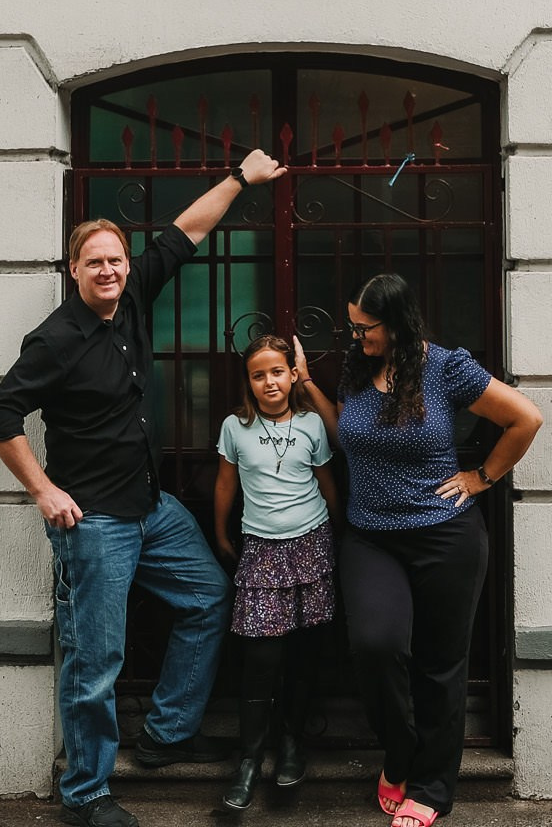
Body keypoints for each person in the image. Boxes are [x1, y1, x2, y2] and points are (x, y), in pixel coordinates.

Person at [0, 148, 287, 827]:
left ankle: (165, 736)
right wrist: (42, 490)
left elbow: (187, 231)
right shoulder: (55, 340)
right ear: (74, 270)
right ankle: (86, 792)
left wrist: (239, 178)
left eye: (116, 259)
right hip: (94, 524)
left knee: (208, 598)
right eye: (95, 263)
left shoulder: (136, 296)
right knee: (96, 661)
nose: (110, 270)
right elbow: (0, 415)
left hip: (151, 509)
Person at [291, 273, 543, 827]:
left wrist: (482, 476)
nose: (356, 337)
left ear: (398, 322)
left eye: (366, 328)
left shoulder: (447, 368)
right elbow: (345, 438)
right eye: (352, 327)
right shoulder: (357, 369)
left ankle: (431, 788)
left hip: (444, 535)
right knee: (376, 646)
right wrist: (310, 387)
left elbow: (526, 418)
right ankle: (400, 750)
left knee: (440, 666)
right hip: (370, 535)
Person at [211, 333, 338, 810]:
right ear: (248, 380)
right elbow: (225, 483)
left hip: (311, 544)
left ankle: (291, 746)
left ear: (292, 375)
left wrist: (338, 534)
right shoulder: (234, 427)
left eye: (278, 372)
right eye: (259, 374)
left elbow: (327, 484)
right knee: (261, 659)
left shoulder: (311, 424)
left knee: (304, 655)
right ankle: (248, 760)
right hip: (260, 549)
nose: (269, 382)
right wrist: (221, 535)